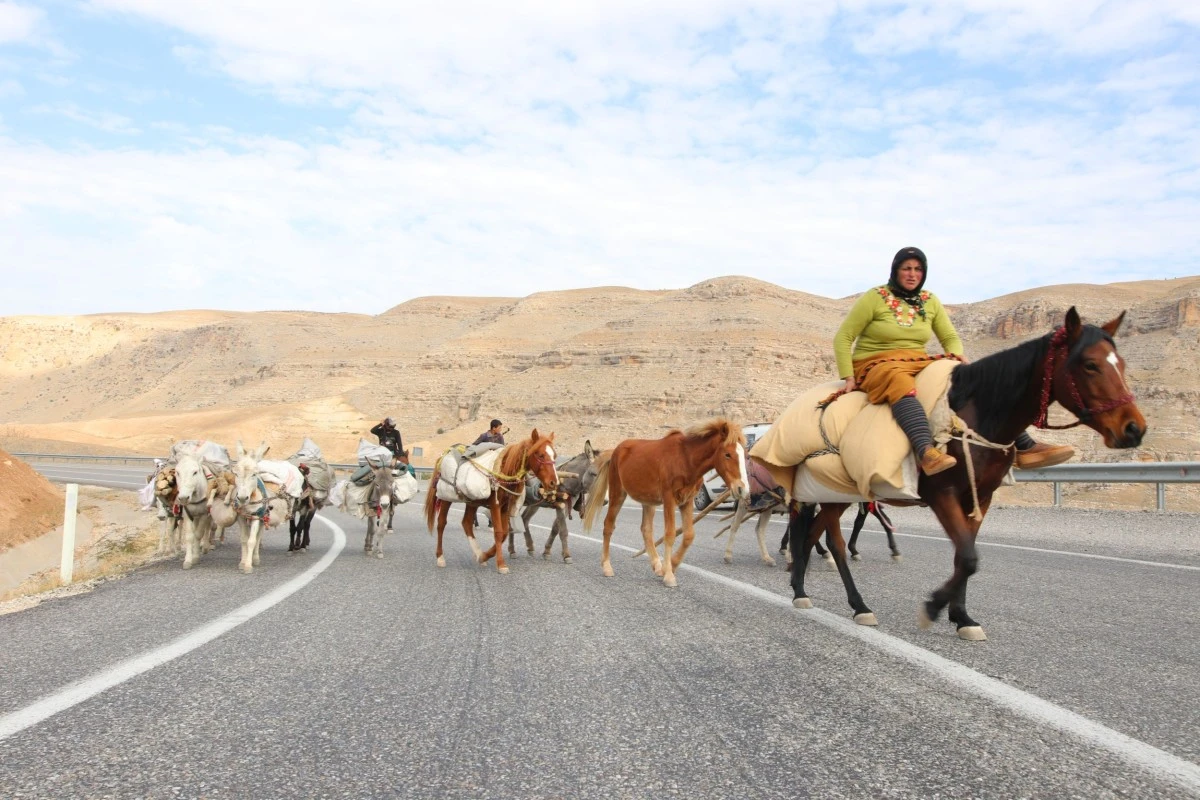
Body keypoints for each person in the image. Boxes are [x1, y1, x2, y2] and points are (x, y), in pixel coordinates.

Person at [834, 246, 1074, 476]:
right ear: (895, 270)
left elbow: (949, 336)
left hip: (916, 359)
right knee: (899, 381)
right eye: (906, 268)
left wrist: (957, 354)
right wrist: (848, 377)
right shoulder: (875, 297)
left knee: (969, 380)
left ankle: (1025, 446)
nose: (912, 274)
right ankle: (926, 453)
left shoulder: (929, 300)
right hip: (875, 363)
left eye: (918, 269)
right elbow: (843, 337)